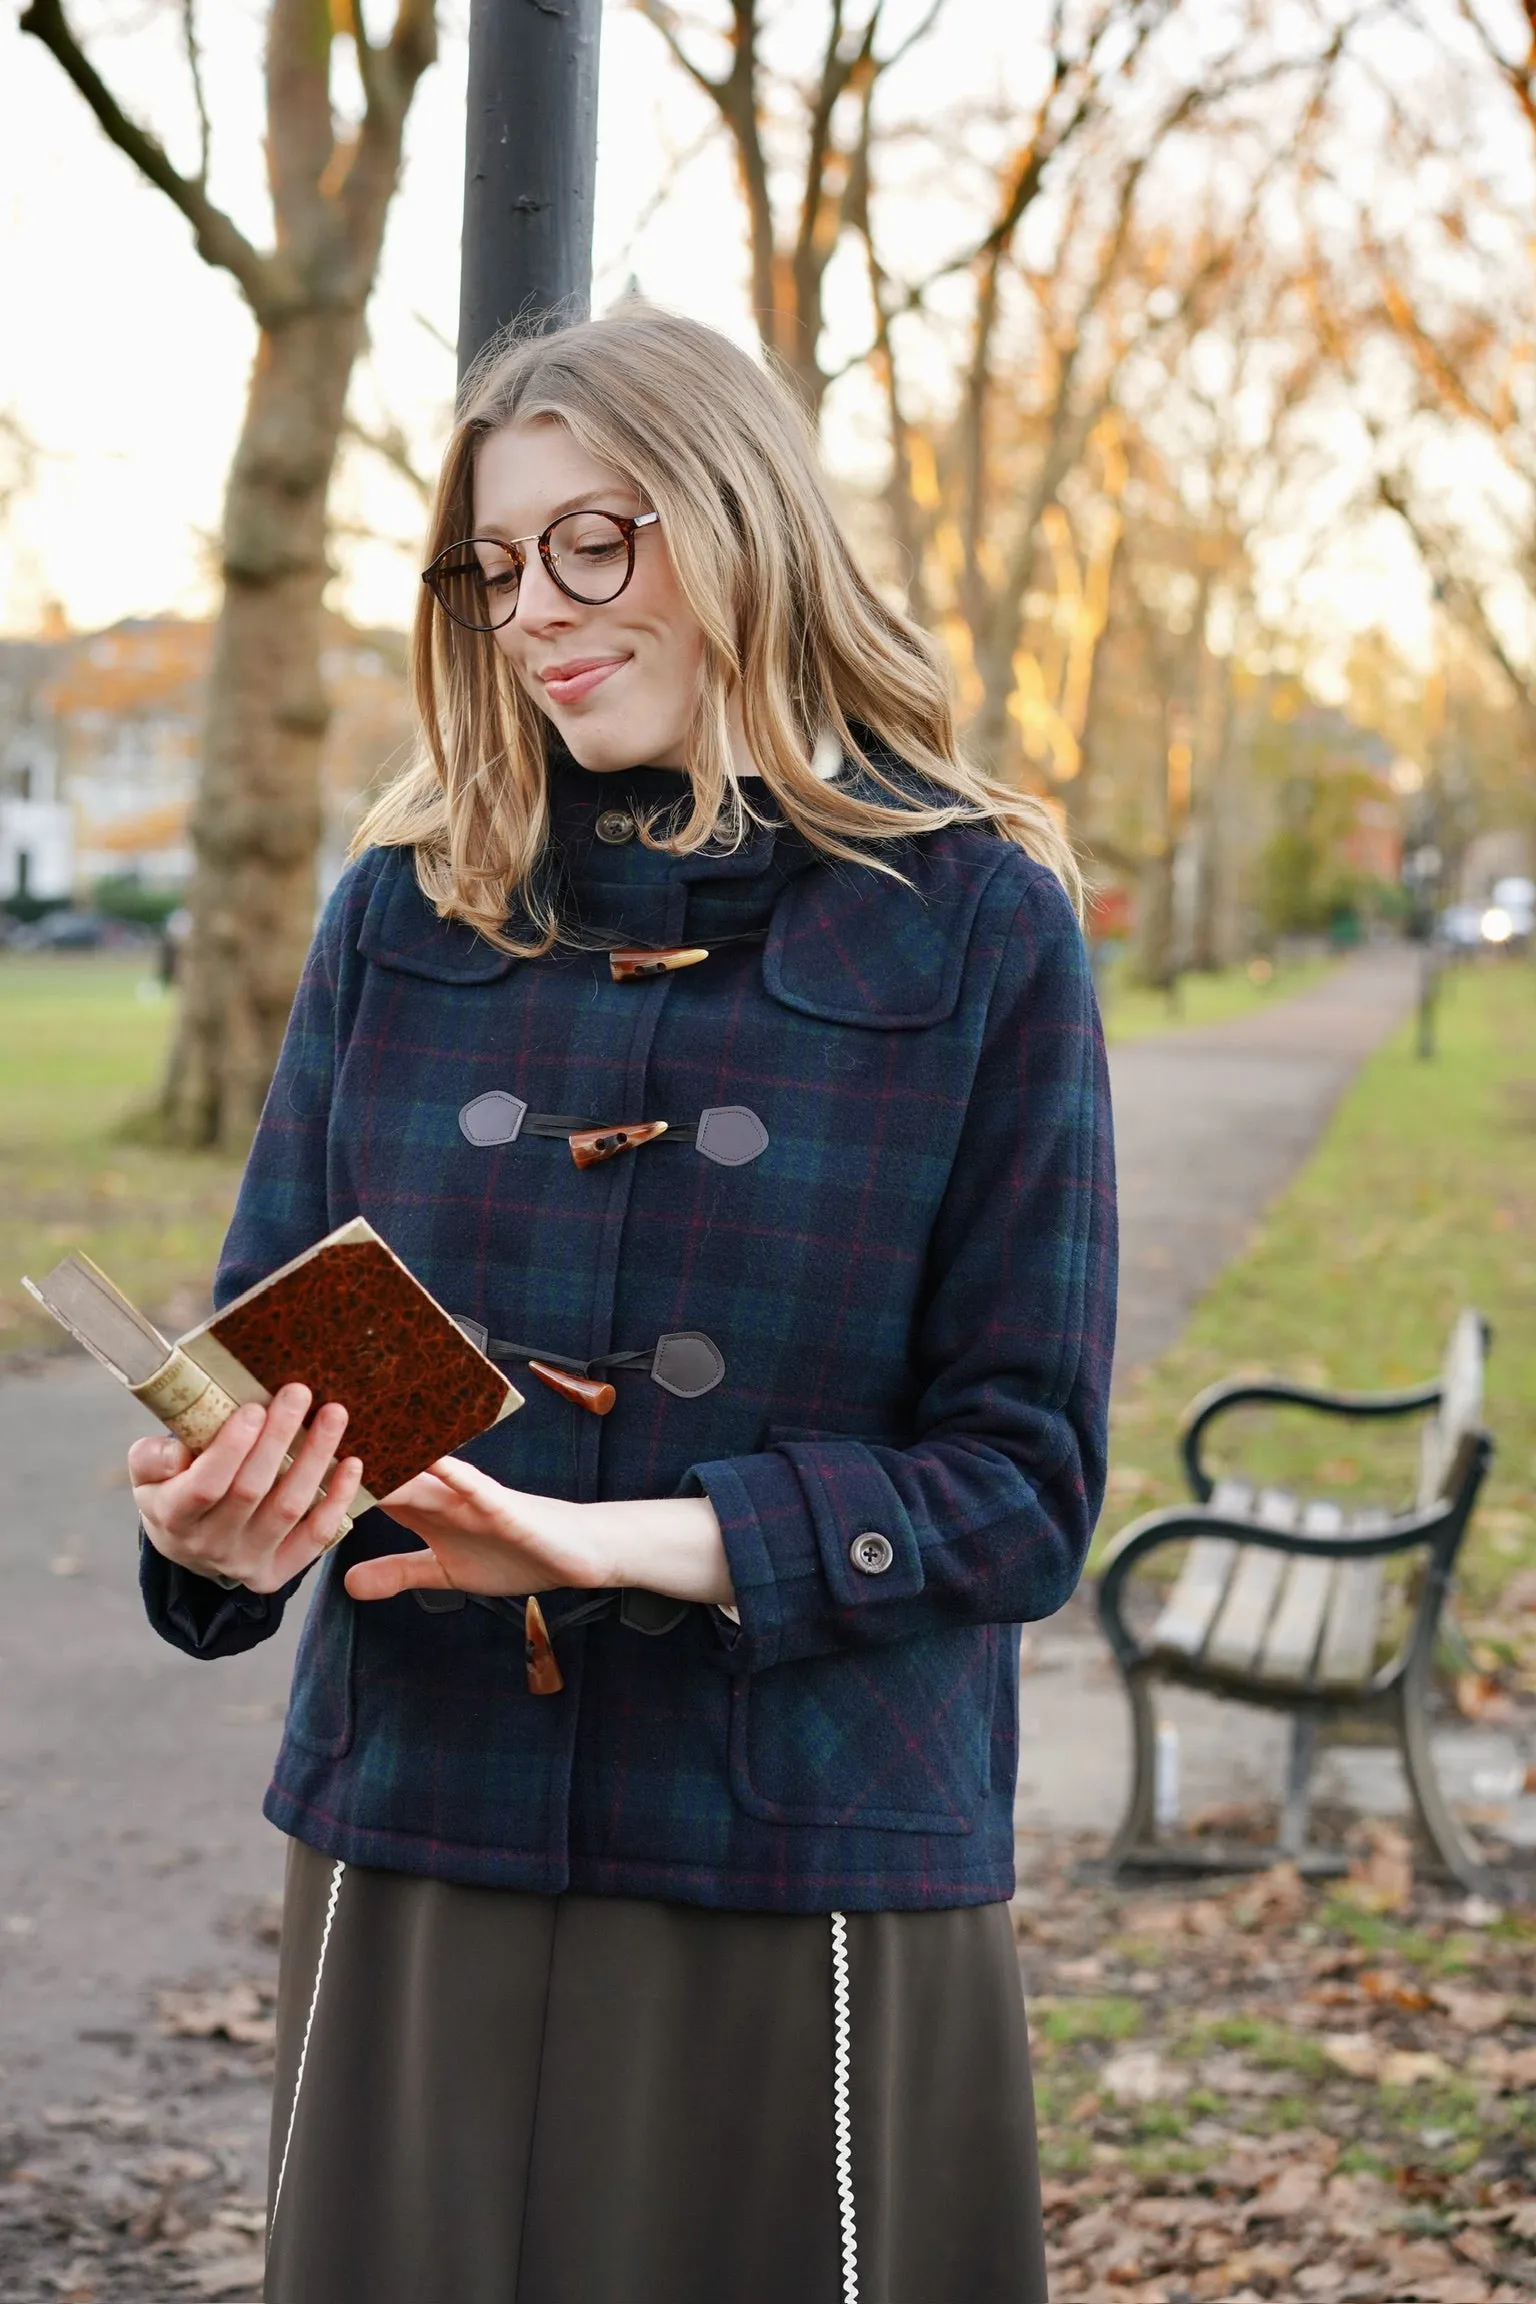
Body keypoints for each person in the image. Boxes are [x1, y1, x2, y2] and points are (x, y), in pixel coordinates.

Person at [129, 304, 1117, 2304]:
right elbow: (268, 1368)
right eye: (499, 566)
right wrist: (223, 1529)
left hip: (813, 1864)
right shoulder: (398, 922)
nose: (543, 611)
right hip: (423, 1832)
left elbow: (1021, 1489)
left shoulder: (985, 922)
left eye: (603, 538)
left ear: (743, 521)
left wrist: (612, 1542)